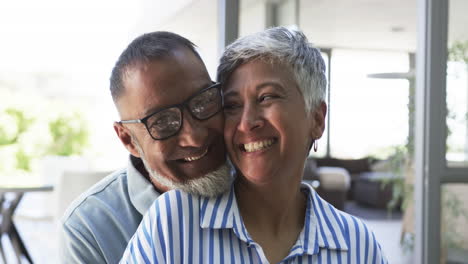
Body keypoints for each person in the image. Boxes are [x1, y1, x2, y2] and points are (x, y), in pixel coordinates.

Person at [121, 26, 388, 264]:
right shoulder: (174, 222)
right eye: (233, 105)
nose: (247, 123)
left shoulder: (357, 245)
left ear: (317, 119)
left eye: (267, 97)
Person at [59, 31, 232, 263]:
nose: (194, 137)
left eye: (203, 102)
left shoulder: (261, 180)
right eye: (162, 121)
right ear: (128, 140)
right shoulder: (89, 230)